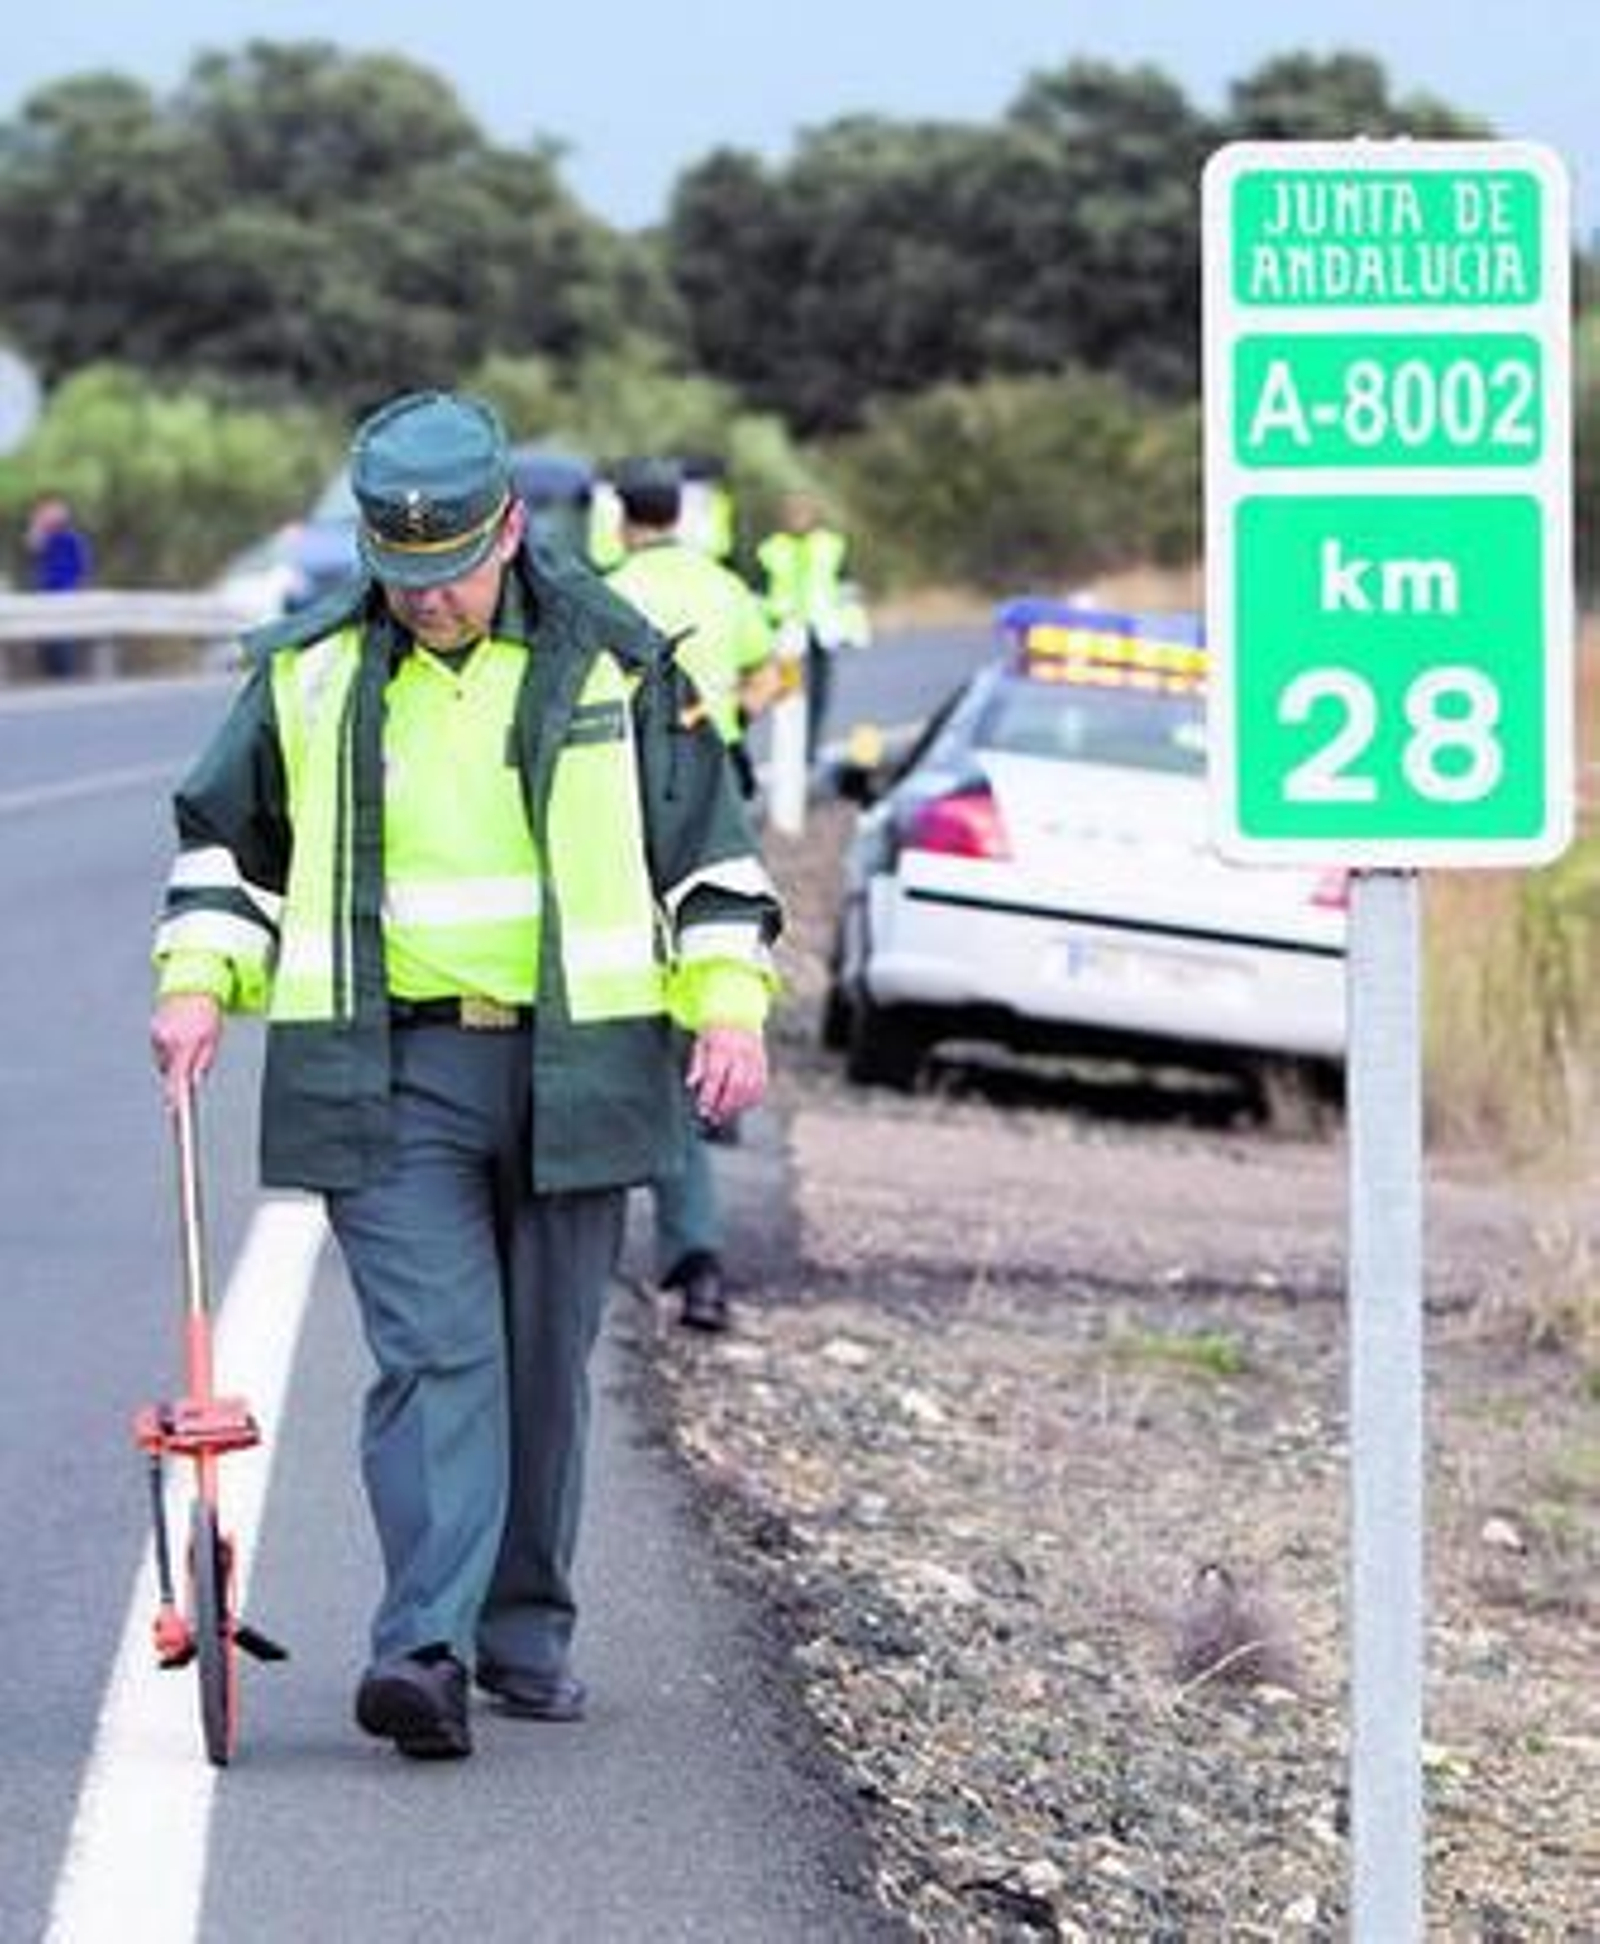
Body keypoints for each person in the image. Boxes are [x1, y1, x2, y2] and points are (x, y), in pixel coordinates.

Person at [148, 391, 781, 1762]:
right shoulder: (308, 675)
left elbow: (714, 866)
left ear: (509, 528)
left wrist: (728, 1010)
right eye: (403, 577)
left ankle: (524, 1633)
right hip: (387, 1068)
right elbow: (224, 851)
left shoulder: (621, 663)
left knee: (546, 1367)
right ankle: (420, 1651)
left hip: (579, 1062)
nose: (431, 601)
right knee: (441, 1357)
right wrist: (197, 979)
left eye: (452, 574)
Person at [606, 458, 778, 1333]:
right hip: (717, 795)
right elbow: (775, 671)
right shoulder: (724, 588)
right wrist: (733, 718)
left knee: (618, 1024)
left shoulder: (610, 593)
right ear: (683, 512)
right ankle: (696, 1253)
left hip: (627, 804)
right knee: (715, 946)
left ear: (619, 517)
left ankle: (589, 1248)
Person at [755, 491, 866, 765]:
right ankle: (786, 747)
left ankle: (809, 749)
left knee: (819, 693)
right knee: (785, 692)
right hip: (786, 631)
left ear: (814, 514)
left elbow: (847, 590)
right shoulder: (770, 549)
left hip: (821, 630)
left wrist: (852, 628)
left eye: (803, 512)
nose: (797, 518)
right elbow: (757, 594)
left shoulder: (832, 545)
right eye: (792, 512)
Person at [25, 493, 93, 677]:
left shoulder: (73, 538)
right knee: (46, 643)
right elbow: (33, 547)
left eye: (55, 511)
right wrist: (38, 523)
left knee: (63, 641)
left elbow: (83, 567)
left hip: (65, 596)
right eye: (48, 511)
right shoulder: (45, 537)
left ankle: (64, 676)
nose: (51, 514)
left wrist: (77, 591)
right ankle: (51, 676)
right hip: (44, 596)